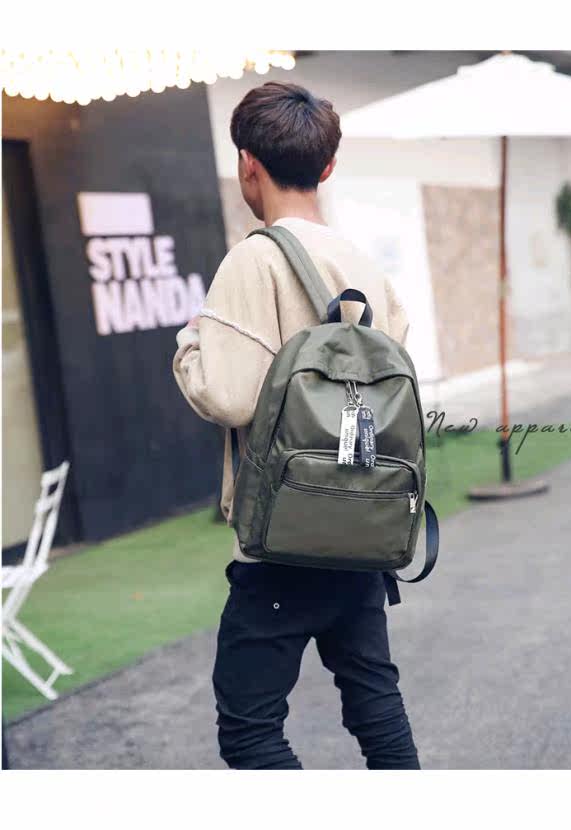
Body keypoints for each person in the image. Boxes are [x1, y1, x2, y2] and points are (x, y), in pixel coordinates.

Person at [173, 81, 420, 770]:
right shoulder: (364, 264)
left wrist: (190, 345)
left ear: (247, 164)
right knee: (377, 710)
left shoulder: (254, 259)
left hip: (285, 537)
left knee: (249, 732)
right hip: (364, 526)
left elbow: (229, 397)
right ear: (328, 166)